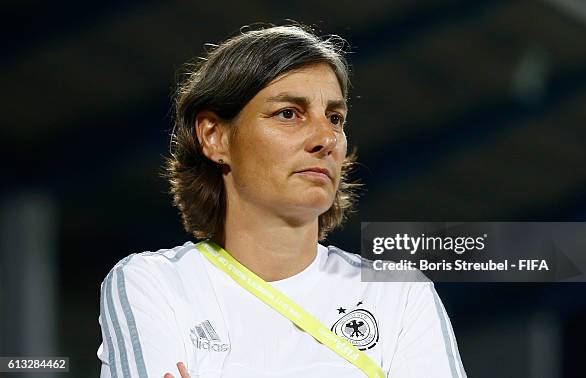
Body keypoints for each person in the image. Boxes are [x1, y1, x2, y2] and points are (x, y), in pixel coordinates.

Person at [97, 23, 467, 378]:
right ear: (214, 136)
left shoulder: (399, 296)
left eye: (335, 118)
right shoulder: (155, 284)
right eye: (288, 113)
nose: (326, 138)